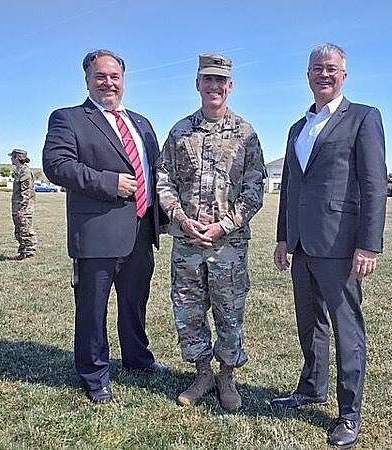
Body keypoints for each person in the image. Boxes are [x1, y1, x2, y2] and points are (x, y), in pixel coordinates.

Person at [271, 43, 387, 448]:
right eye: (317, 68)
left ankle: (349, 413)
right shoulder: (297, 128)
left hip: (341, 244)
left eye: (331, 68)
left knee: (346, 329)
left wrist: (368, 245)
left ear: (344, 75)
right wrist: (283, 237)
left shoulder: (363, 118)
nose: (324, 74)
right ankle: (311, 388)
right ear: (307, 75)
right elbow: (291, 186)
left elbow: (374, 186)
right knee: (310, 323)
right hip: (302, 244)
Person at [42, 49, 168, 404]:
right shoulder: (68, 118)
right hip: (97, 232)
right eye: (100, 76)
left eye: (115, 76)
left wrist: (164, 218)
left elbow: (156, 172)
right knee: (92, 309)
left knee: (135, 303)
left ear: (123, 80)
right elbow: (57, 165)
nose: (108, 83)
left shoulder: (141, 122)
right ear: (87, 80)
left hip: (141, 231)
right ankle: (94, 374)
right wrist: (109, 182)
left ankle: (138, 358)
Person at [157, 53, 265, 411]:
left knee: (229, 312)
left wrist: (223, 225)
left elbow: (254, 190)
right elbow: (164, 181)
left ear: (230, 86)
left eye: (221, 80)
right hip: (188, 244)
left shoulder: (246, 134)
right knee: (188, 311)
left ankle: (227, 376)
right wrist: (181, 219)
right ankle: (203, 373)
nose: (214, 86)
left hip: (228, 246)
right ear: (197, 84)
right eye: (208, 79)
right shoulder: (179, 132)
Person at [10, 149, 37, 260]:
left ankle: (29, 253)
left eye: (12, 157)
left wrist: (22, 209)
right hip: (17, 207)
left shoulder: (25, 172)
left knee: (25, 230)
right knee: (19, 231)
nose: (11, 159)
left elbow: (26, 193)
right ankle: (22, 252)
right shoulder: (19, 171)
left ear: (17, 158)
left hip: (23, 208)